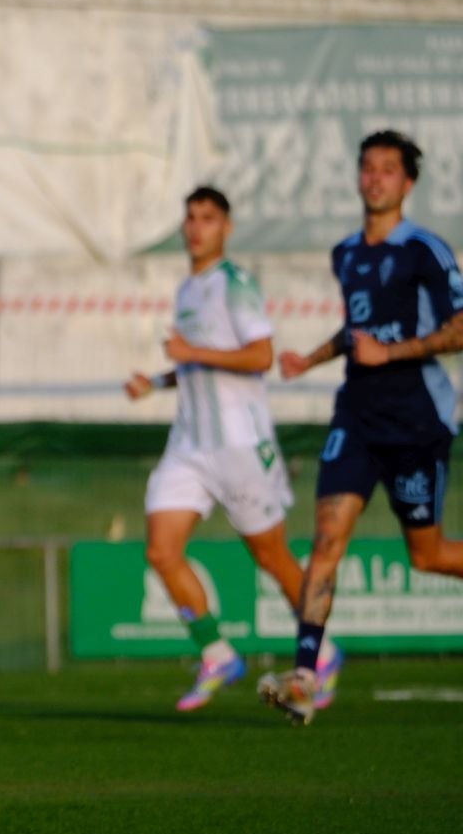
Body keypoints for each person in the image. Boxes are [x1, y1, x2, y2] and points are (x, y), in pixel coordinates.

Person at [261, 130, 463, 723]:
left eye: (387, 170)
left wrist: (392, 353)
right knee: (327, 541)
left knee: (428, 555)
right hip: (356, 416)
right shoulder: (345, 253)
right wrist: (311, 359)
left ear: (408, 182)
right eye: (367, 168)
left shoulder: (425, 249)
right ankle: (306, 677)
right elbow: (357, 331)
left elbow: (459, 328)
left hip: (416, 420)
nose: (375, 179)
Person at [124, 186, 341, 712]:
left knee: (271, 556)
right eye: (190, 217)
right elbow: (197, 362)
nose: (196, 227)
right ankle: (217, 654)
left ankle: (323, 651)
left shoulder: (235, 284)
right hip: (189, 444)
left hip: (240, 445)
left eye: (208, 218)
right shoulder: (188, 289)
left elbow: (260, 356)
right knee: (161, 551)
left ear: (227, 227)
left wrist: (191, 351)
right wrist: (157, 380)